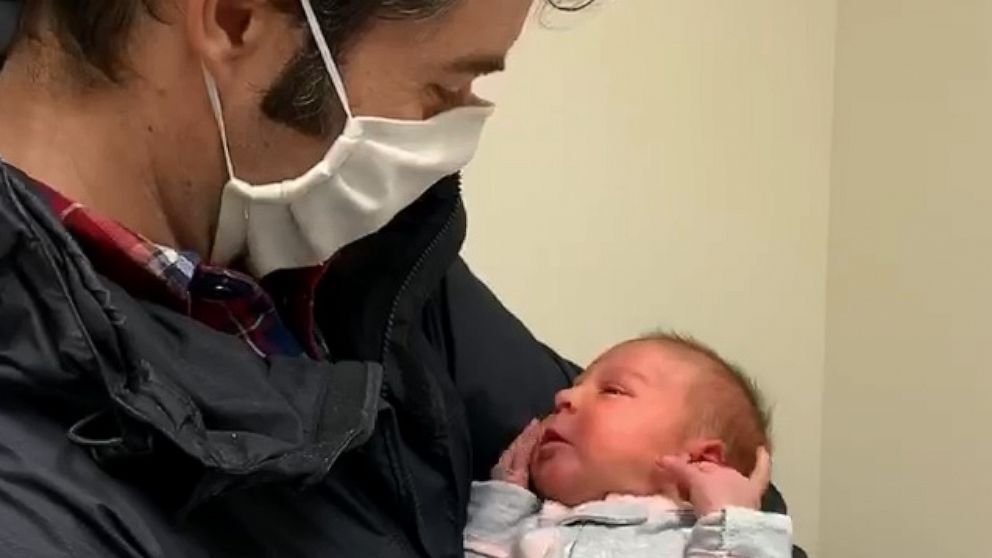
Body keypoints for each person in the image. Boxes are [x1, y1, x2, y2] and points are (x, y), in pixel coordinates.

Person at [0, 1, 803, 556]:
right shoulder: (34, 499)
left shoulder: (369, 267)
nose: (454, 132)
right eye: (444, 86)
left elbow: (710, 466)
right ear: (238, 18)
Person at [464, 334, 792, 558]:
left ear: (699, 461)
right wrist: (503, 505)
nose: (563, 396)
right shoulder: (532, 524)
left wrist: (734, 524)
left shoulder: (692, 540)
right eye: (575, 386)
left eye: (613, 391)